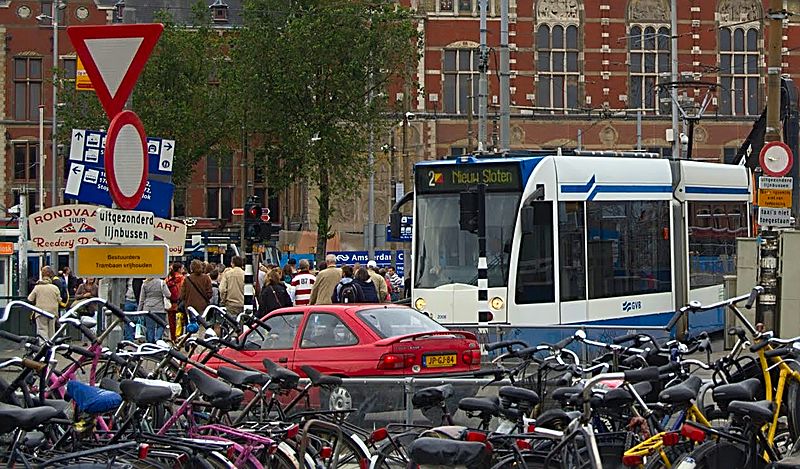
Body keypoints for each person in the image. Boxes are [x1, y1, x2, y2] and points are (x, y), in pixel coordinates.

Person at [27, 266, 61, 339]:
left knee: (42, 330)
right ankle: (51, 346)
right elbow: (60, 300)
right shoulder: (55, 288)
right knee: (52, 331)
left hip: (40, 311)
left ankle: (43, 345)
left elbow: (30, 299)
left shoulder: (37, 287)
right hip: (53, 312)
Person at [138, 276, 171, 343]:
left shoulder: (145, 283)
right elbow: (168, 294)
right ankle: (158, 339)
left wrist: (139, 310)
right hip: (160, 308)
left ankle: (150, 342)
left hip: (148, 308)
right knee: (161, 325)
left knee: (150, 327)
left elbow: (141, 299)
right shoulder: (162, 283)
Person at [165, 262, 185, 341]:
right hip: (179, 303)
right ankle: (180, 337)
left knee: (172, 322)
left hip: (170, 303)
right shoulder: (182, 278)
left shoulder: (168, 279)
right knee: (181, 321)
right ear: (179, 269)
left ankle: (173, 338)